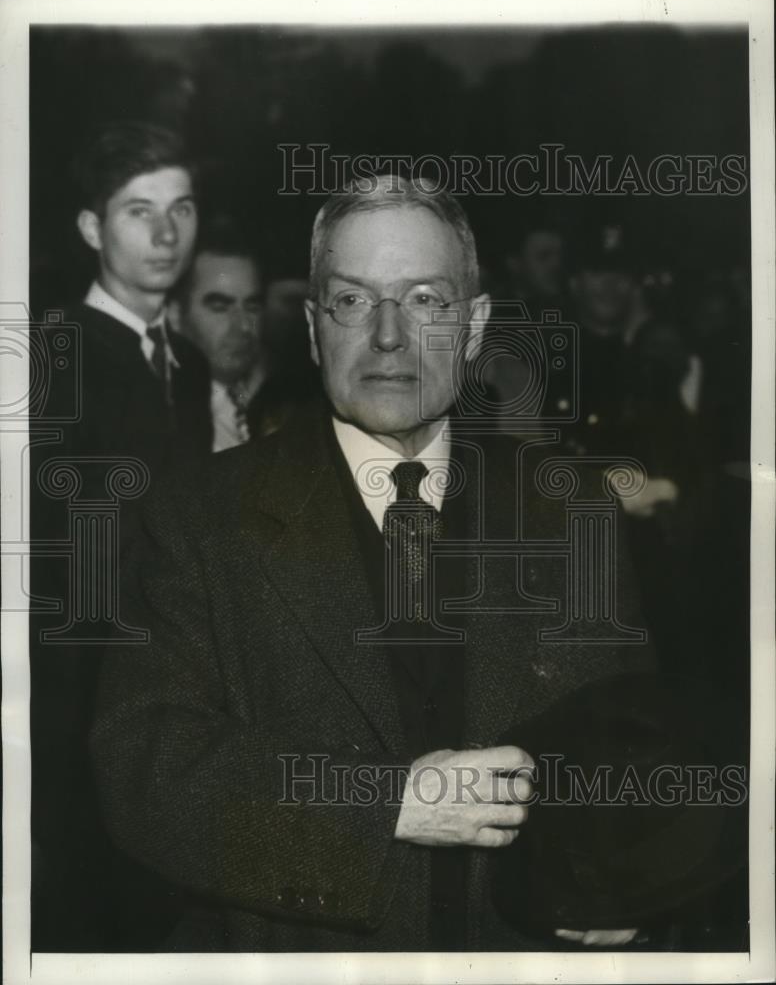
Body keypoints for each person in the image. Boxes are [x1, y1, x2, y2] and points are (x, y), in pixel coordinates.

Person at [90, 176, 653, 952]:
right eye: (353, 301)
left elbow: (628, 752)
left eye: (425, 299)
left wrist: (627, 876)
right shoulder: (197, 516)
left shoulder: (571, 511)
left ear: (476, 324)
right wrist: (387, 801)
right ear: (317, 328)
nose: (388, 335)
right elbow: (143, 768)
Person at [30, 120, 212, 950]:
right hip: (81, 686)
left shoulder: (187, 362)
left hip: (172, 681)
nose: (167, 233)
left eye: (182, 207)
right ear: (90, 229)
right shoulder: (55, 353)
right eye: (139, 210)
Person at [169, 220, 306, 449]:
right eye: (220, 307)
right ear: (175, 315)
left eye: (252, 306)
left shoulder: (275, 405)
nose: (243, 326)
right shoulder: (168, 420)